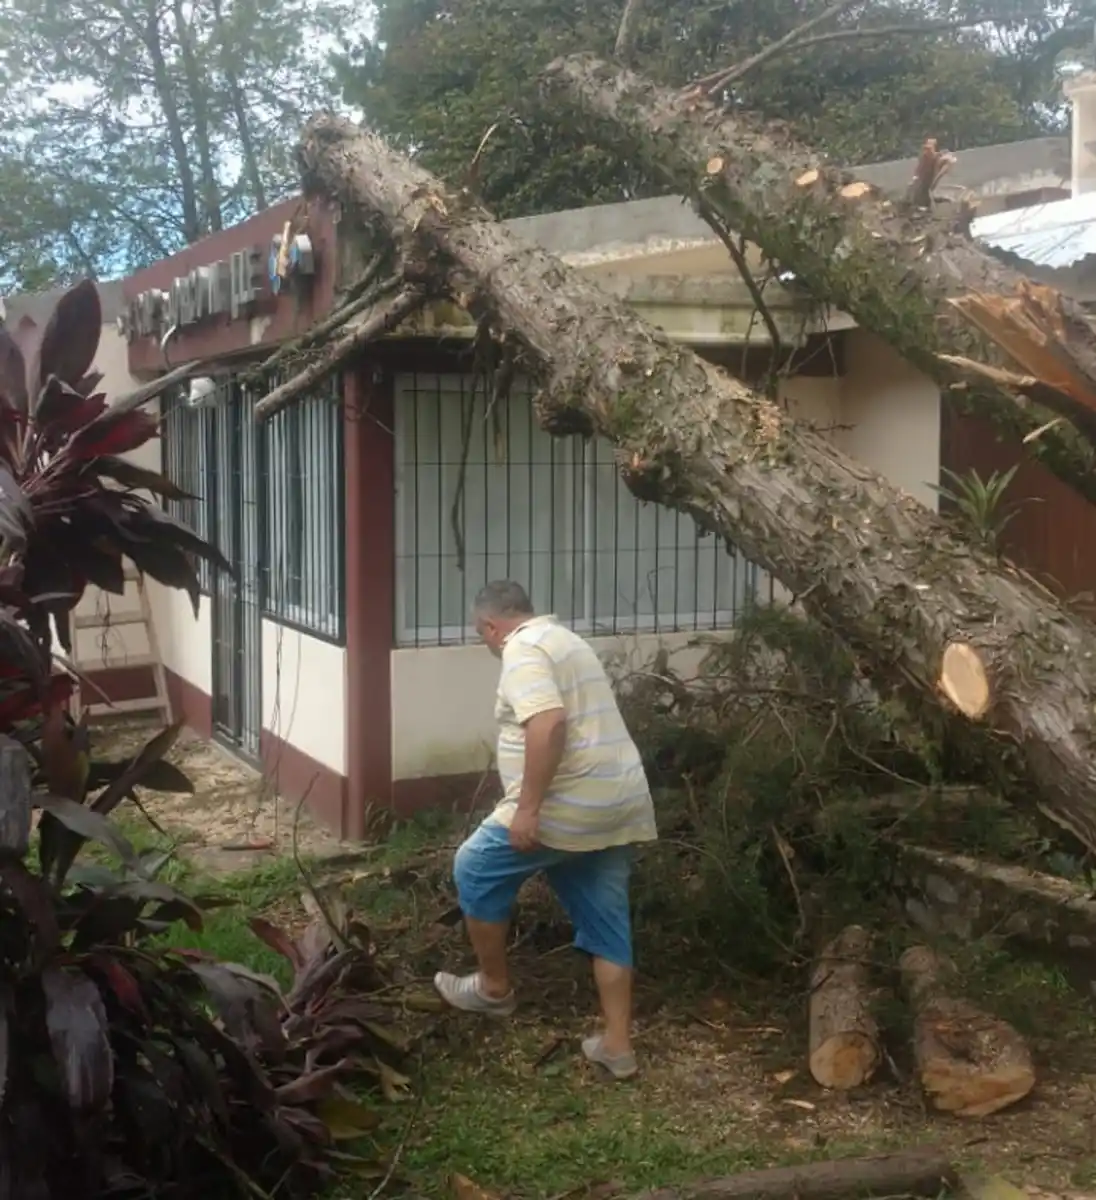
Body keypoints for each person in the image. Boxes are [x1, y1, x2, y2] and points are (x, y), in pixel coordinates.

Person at [434, 581, 657, 1080]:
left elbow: (549, 723)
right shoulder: (565, 640)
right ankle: (617, 1044)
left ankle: (494, 990)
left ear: (491, 627)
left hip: (566, 805)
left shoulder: (523, 650)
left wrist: (528, 809)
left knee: (474, 866)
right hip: (615, 803)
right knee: (607, 921)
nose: (486, 643)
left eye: (481, 634)